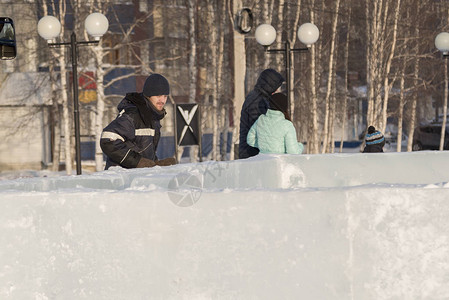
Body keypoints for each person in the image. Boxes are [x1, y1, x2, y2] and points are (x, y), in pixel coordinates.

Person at [100, 73, 176, 169]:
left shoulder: (153, 119)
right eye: (158, 95)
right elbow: (108, 140)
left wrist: (155, 164)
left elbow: (141, 149)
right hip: (120, 178)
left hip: (137, 178)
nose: (162, 100)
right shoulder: (133, 114)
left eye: (165, 96)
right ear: (148, 95)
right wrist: (137, 162)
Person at [239, 68, 285, 159]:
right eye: (276, 87)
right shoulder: (256, 101)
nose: (278, 90)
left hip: (255, 154)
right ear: (270, 85)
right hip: (252, 155)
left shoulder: (261, 98)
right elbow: (259, 129)